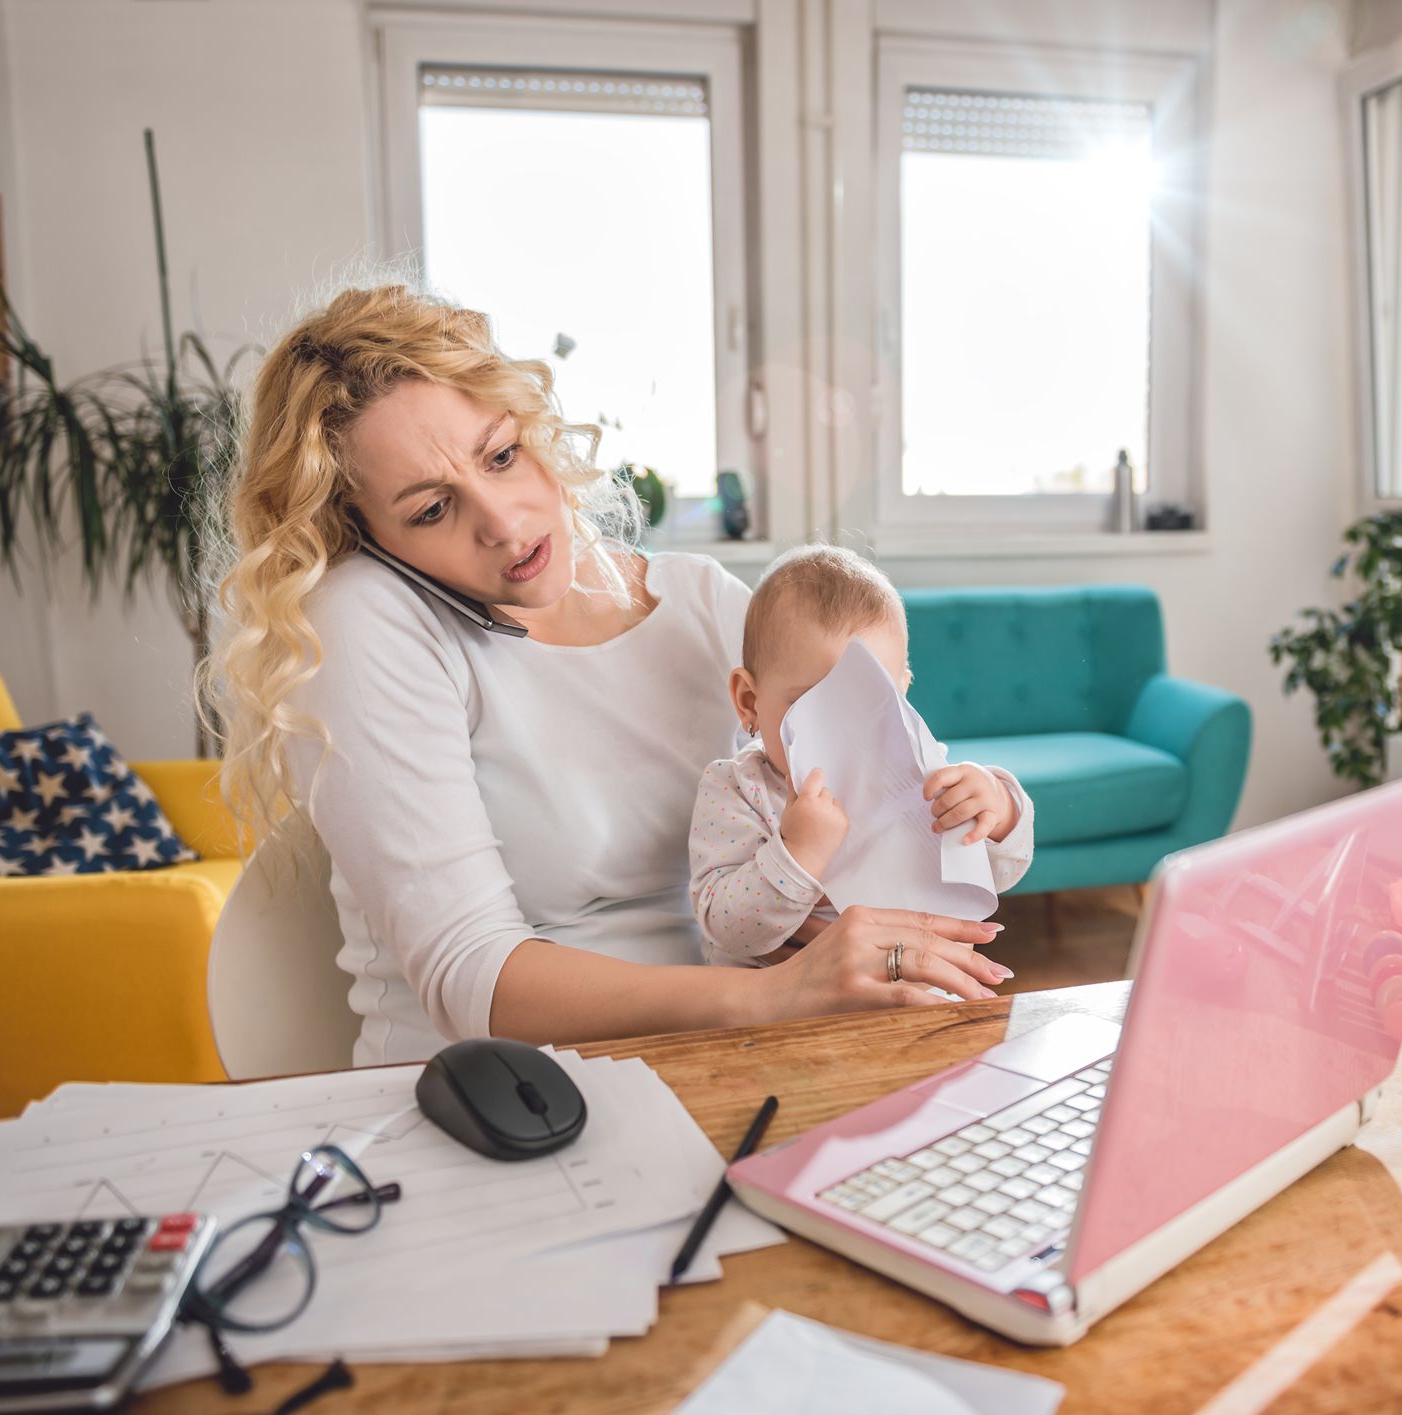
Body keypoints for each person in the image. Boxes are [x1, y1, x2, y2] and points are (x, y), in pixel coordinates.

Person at [207, 285, 1008, 1065]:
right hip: (504, 1097)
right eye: (430, 510)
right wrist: (778, 993)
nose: (502, 521)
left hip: (740, 1059)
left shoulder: (702, 602)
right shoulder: (368, 616)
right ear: (369, 537)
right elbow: (469, 972)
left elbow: (897, 804)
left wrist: (948, 838)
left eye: (502, 455)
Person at [690, 545, 1032, 965]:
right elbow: (726, 928)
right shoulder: (739, 789)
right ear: (749, 701)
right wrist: (799, 853)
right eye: (810, 705)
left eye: (870, 703)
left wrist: (997, 810)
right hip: (781, 1004)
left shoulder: (920, 776)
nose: (841, 731)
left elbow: (1001, 873)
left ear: (902, 694)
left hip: (913, 984)